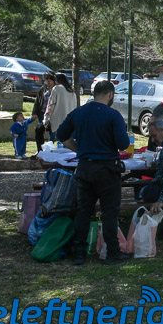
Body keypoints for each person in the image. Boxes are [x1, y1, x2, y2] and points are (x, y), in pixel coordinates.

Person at [56, 80, 131, 265]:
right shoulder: (113, 115)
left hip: (85, 167)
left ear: (94, 93)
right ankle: (112, 252)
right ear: (110, 94)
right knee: (109, 212)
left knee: (83, 210)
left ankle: (79, 252)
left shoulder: (79, 112)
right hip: (107, 168)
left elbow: (61, 134)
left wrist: (78, 149)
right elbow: (123, 144)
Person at [44, 73, 78, 142]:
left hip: (57, 120)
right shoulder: (72, 92)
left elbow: (51, 105)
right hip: (69, 121)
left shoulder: (56, 88)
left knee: (52, 141)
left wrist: (46, 118)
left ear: (57, 80)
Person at [31, 72, 55, 155]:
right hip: (43, 113)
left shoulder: (57, 89)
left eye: (49, 81)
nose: (47, 83)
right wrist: (34, 112)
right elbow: (37, 101)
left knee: (52, 132)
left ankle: (50, 149)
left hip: (53, 114)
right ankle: (40, 150)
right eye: (46, 81)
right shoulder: (43, 89)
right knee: (39, 130)